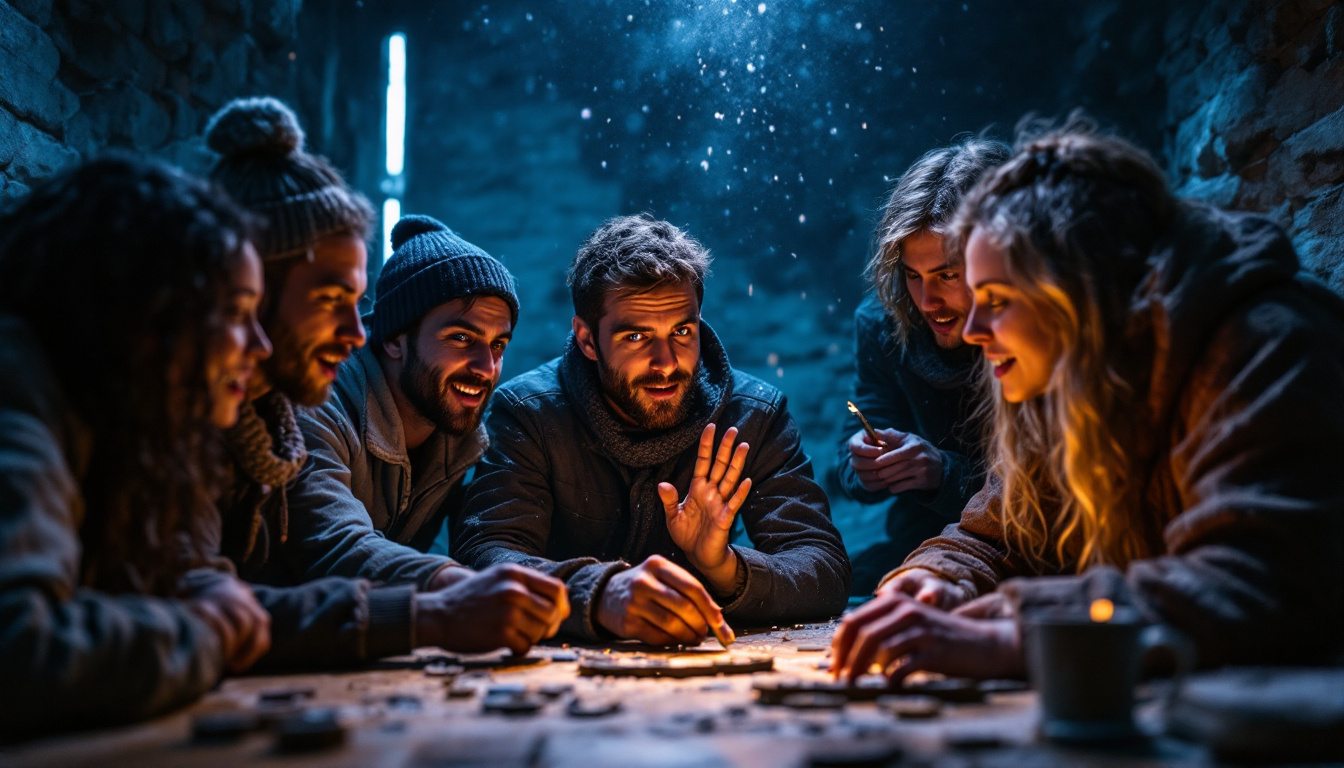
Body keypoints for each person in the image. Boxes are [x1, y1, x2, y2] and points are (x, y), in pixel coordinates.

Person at [831, 120, 1344, 682]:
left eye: (995, 298)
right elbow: (998, 533)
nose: (973, 328)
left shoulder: (1261, 346)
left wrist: (1020, 631)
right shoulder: (1064, 378)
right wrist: (939, 575)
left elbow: (1263, 578)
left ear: (1075, 289)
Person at [204, 96, 566, 662]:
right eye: (461, 339)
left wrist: (591, 591)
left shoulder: (464, 434)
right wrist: (445, 604)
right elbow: (331, 548)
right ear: (394, 338)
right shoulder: (308, 405)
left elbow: (493, 547)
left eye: (498, 346)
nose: (487, 368)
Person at [454, 214, 851, 644]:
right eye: (636, 338)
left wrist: (725, 567)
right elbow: (483, 557)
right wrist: (600, 593)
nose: (666, 362)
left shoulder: (753, 417)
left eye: (682, 331)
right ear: (587, 340)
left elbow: (825, 569)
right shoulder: (529, 415)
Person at [0, 155, 271, 736]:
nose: (261, 345)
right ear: (144, 314)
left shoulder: (123, 429)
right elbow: (19, 649)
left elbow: (194, 596)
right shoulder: (15, 387)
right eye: (234, 313)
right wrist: (202, 635)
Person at [837, 137, 1008, 594]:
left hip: (1023, 542)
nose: (928, 301)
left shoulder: (1025, 333)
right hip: (918, 544)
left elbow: (1040, 490)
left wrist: (943, 474)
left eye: (948, 275)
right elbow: (850, 462)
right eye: (913, 275)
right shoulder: (883, 325)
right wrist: (867, 460)